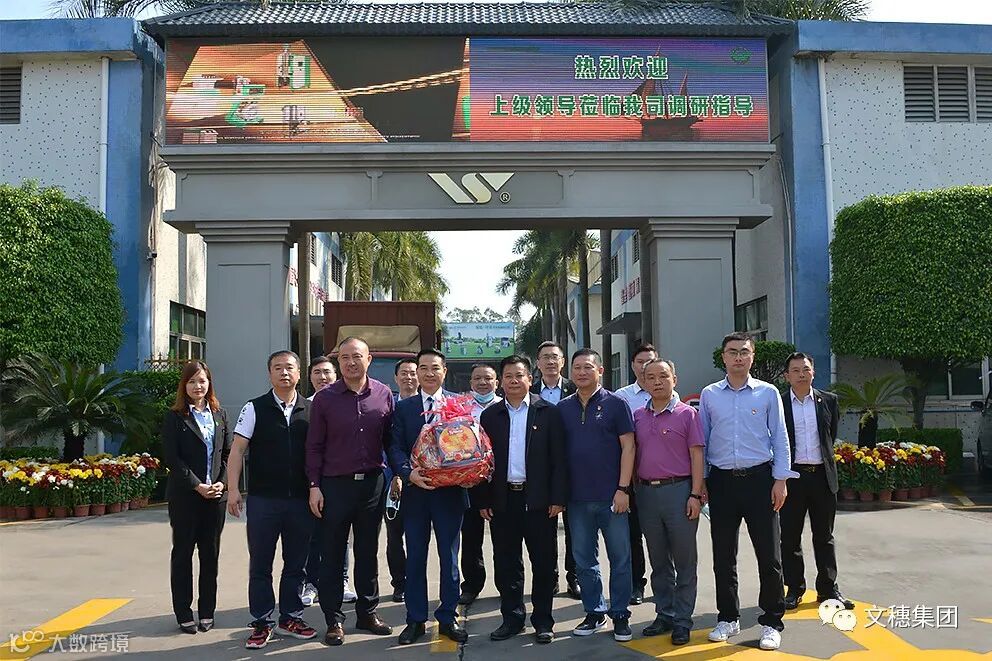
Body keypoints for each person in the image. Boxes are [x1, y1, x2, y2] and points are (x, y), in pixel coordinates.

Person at [700, 332, 798, 652]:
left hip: (760, 480)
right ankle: (728, 617)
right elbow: (703, 440)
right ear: (723, 357)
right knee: (723, 556)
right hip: (722, 482)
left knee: (769, 556)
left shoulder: (768, 393)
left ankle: (771, 621)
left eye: (744, 351)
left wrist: (781, 479)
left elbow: (780, 437)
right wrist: (702, 483)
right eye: (732, 352)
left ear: (752, 356)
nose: (738, 357)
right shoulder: (710, 395)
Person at [472, 355, 567, 644]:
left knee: (543, 563)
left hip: (539, 500)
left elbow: (559, 460)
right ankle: (512, 619)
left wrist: (558, 497)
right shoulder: (490, 416)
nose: (514, 381)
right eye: (508, 376)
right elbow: (483, 462)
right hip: (503, 500)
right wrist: (483, 499)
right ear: (501, 382)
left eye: (519, 375)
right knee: (507, 563)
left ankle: (543, 621)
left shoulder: (548, 412)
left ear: (530, 378)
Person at [306, 337, 394, 646]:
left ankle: (367, 613)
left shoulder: (383, 394)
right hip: (334, 486)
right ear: (338, 362)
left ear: (369, 359)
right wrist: (314, 486)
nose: (351, 362)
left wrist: (400, 475)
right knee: (331, 554)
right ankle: (334, 620)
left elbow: (390, 440)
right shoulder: (325, 399)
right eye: (344, 357)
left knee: (367, 552)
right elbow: (314, 446)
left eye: (357, 356)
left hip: (372, 484)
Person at [227, 351, 318, 649]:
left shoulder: (312, 409)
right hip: (263, 500)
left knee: (296, 564)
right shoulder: (254, 407)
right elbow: (237, 450)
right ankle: (262, 622)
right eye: (277, 368)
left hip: (300, 501)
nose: (284, 373)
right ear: (269, 374)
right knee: (261, 564)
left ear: (299, 373)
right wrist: (232, 489)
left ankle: (291, 617)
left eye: (289, 368)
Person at [388, 349, 468, 645]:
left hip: (450, 494)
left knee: (449, 558)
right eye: (423, 368)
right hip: (416, 494)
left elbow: (470, 442)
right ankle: (415, 619)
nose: (429, 373)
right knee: (415, 558)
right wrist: (408, 473)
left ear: (444, 371)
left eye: (435, 368)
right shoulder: (404, 408)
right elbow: (394, 446)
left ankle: (448, 617)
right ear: (417, 372)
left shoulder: (459, 404)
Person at [558, 348, 636, 643]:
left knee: (620, 558)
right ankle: (594, 611)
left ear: (600, 371)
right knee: (583, 560)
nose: (581, 372)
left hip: (612, 497)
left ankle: (620, 614)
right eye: (577, 367)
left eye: (587, 367)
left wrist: (623, 489)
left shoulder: (616, 404)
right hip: (577, 499)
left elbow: (629, 447)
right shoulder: (562, 408)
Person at [633, 358, 705, 646]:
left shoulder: (688, 414)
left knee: (685, 560)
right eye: (650, 377)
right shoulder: (638, 416)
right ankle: (665, 613)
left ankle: (682, 620)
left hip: (679, 491)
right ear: (644, 382)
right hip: (646, 494)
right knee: (659, 560)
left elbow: (697, 455)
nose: (657, 381)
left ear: (674, 378)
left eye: (663, 376)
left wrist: (695, 494)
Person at [780, 352, 854, 611]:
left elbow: (830, 435)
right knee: (790, 537)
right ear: (787, 376)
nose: (801, 374)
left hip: (822, 476)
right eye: (795, 370)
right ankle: (794, 589)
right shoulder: (779, 403)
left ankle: (828, 588)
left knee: (824, 536)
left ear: (813, 372)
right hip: (792, 477)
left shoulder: (828, 400)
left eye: (806, 369)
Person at [162, 360, 231, 635]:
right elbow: (172, 458)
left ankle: (207, 612)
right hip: (185, 497)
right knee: (183, 554)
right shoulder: (175, 417)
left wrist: (222, 483)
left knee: (210, 555)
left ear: (209, 383)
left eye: (202, 381)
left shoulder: (219, 415)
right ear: (184, 385)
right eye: (192, 381)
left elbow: (228, 455)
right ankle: (183, 613)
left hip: (215, 497)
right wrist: (196, 485)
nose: (197, 386)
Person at [300, 357, 357, 608]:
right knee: (313, 535)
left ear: (336, 375)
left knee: (341, 535)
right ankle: (311, 583)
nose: (322, 377)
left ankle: (341, 581)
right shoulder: (303, 406)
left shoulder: (344, 402)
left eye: (327, 372)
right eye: (317, 372)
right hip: (311, 481)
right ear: (310, 377)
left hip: (338, 480)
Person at [531, 340, 580, 600]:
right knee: (544, 530)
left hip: (572, 467)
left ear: (563, 362)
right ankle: (549, 578)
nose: (550, 361)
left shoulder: (576, 389)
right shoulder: (527, 390)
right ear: (538, 363)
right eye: (545, 357)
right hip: (540, 471)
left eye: (555, 357)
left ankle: (575, 577)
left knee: (574, 528)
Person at [613, 343, 662, 606]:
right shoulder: (621, 397)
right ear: (632, 365)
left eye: (650, 361)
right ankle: (637, 584)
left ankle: (665, 583)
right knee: (632, 535)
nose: (645, 366)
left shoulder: (668, 392)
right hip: (631, 477)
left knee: (661, 534)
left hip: (661, 475)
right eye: (641, 362)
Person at [458, 363, 501, 607]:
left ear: (496, 382)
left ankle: (505, 584)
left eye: (488, 378)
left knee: (503, 538)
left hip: (500, 481)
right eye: (477, 379)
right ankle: (472, 585)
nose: (483, 383)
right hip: (470, 481)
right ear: (471, 383)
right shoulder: (461, 408)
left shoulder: (505, 406)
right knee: (471, 538)